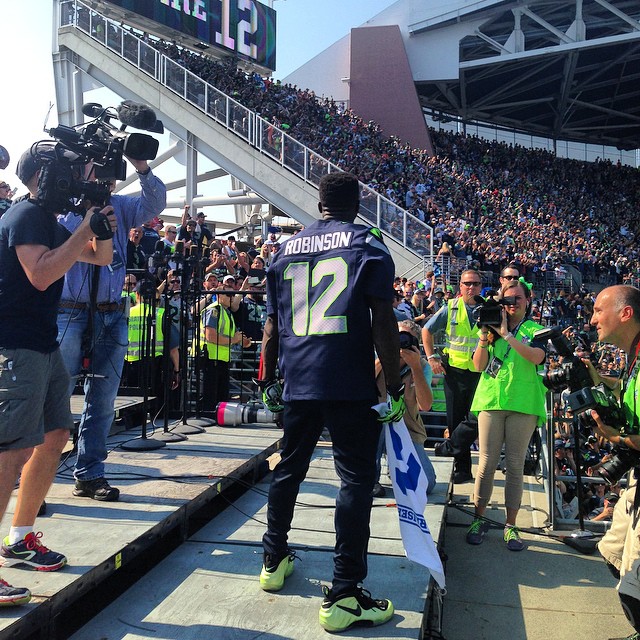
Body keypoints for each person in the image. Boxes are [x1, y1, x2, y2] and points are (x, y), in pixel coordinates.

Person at [257, 172, 404, 633]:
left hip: (298, 378)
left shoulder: (284, 249)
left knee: (289, 468)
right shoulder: (369, 243)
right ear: (357, 203)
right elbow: (383, 320)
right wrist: (395, 386)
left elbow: (272, 328)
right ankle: (344, 592)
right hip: (347, 380)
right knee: (356, 482)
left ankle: (273, 559)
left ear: (318, 203)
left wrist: (268, 378)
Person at [0, 144, 115, 602]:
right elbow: (42, 274)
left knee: (53, 438)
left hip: (42, 346)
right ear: (44, 175)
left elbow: (101, 259)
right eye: (72, 171)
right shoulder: (25, 215)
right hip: (15, 347)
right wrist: (83, 228)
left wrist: (98, 223)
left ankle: (21, 537)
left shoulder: (48, 222)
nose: (79, 177)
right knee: (9, 452)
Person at [57, 155, 166, 501]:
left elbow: (155, 202)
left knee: (102, 401)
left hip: (111, 311)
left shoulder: (119, 205)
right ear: (78, 171)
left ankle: (89, 474)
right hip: (68, 312)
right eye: (96, 167)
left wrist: (141, 167)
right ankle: (34, 478)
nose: (106, 176)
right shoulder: (62, 206)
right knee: (53, 397)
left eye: (109, 170)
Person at [465, 280, 547, 551]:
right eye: (507, 301)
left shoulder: (535, 329)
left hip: (523, 402)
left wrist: (507, 335)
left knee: (514, 465)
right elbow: (478, 366)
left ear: (527, 300)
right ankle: (478, 518)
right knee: (486, 463)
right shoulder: (490, 330)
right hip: (492, 399)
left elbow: (536, 357)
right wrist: (484, 334)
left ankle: (511, 525)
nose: (511, 305)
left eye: (517, 300)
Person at [589, 286, 640, 640]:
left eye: (597, 310)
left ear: (625, 314)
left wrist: (615, 438)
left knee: (635, 577)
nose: (592, 319)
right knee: (613, 550)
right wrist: (591, 375)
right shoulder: (633, 356)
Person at [422, 269, 483, 483]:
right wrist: (431, 357)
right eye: (467, 283)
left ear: (480, 286)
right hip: (455, 373)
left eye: (475, 283)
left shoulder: (489, 309)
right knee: (455, 420)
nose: (471, 287)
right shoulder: (451, 307)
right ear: (460, 287)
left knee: (477, 417)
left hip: (481, 373)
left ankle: (449, 446)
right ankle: (462, 469)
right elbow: (426, 331)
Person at [374, 320, 437, 497]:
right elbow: (360, 386)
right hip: (374, 426)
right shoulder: (376, 356)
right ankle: (372, 477)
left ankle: (396, 469)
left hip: (407, 429)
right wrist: (385, 357)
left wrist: (415, 367)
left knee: (426, 484)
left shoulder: (422, 366)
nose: (401, 343)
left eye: (407, 339)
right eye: (397, 337)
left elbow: (425, 405)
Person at [199, 284, 251, 414]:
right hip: (211, 357)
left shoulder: (226, 312)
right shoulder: (214, 310)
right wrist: (234, 339)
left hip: (221, 358)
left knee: (221, 395)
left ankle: (216, 419)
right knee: (211, 397)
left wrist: (241, 340)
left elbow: (230, 336)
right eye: (228, 294)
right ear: (219, 295)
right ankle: (209, 418)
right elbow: (210, 336)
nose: (232, 297)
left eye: (233, 294)